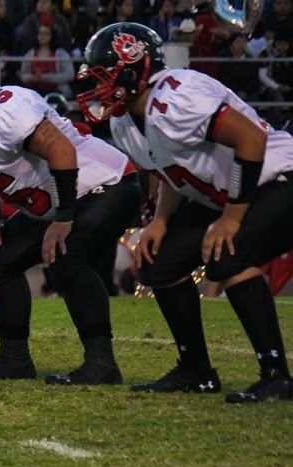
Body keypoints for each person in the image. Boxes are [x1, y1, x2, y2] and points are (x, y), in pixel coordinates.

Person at [78, 22, 293, 402]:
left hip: (277, 176)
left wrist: (231, 218)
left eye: (105, 77)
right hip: (229, 193)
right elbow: (171, 171)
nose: (98, 89)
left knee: (228, 256)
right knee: (157, 264)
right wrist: (160, 220)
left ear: (134, 70)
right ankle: (196, 370)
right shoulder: (125, 121)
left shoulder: (177, 96)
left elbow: (251, 139)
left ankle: (276, 374)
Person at [0, 48, 141, 384]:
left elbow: (61, 150)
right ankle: (14, 360)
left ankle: (102, 363)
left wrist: (64, 219)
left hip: (105, 183)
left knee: (68, 259)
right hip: (57, 203)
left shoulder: (4, 108)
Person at [19, 24, 75, 96]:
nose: (42, 36)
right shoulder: (30, 53)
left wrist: (45, 77)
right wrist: (33, 77)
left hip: (56, 92)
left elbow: (70, 75)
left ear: (52, 36)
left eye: (46, 34)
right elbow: (23, 75)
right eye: (40, 33)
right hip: (34, 94)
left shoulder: (61, 53)